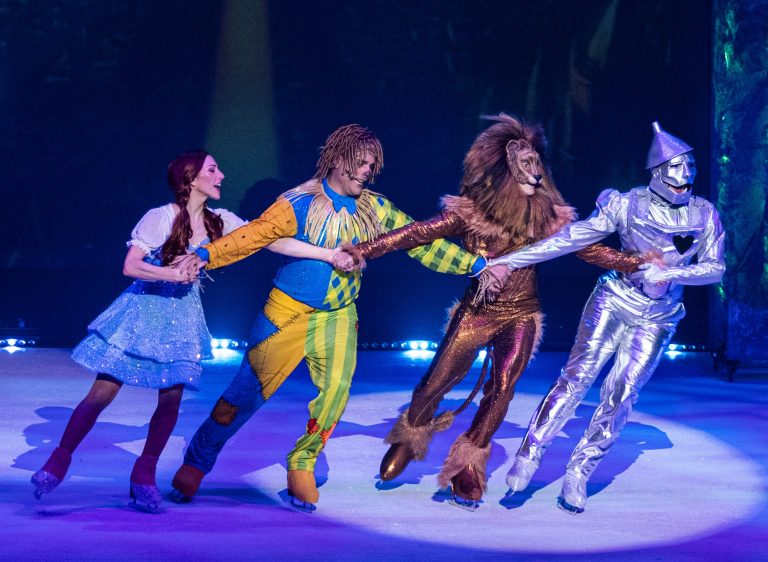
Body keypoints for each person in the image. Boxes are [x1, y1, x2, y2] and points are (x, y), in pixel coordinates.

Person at [169, 124, 492, 512]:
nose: (367, 171)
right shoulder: (298, 201)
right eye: (361, 163)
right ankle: (198, 460)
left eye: (372, 165)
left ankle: (302, 463)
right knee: (241, 397)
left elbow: (418, 240)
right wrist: (206, 255)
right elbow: (254, 235)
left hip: (339, 315)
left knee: (336, 392)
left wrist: (473, 264)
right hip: (285, 314)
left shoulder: (375, 207)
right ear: (338, 160)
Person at [341, 114, 642, 509]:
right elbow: (416, 233)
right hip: (478, 311)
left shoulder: (548, 220)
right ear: (502, 171)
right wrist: (364, 249)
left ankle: (469, 464)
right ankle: (411, 432)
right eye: (524, 166)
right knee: (438, 379)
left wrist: (634, 263)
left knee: (502, 389)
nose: (534, 175)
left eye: (537, 166)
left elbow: (586, 248)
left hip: (522, 313)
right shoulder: (470, 214)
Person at [30, 150, 333, 512]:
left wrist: (326, 254)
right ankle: (59, 460)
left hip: (182, 317)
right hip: (142, 312)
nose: (221, 175)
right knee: (103, 391)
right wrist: (173, 274)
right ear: (191, 179)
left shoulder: (222, 220)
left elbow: (268, 239)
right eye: (212, 169)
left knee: (170, 399)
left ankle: (144, 475)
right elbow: (131, 266)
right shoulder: (161, 217)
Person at [491, 122, 725, 514]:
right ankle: (529, 454)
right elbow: (571, 239)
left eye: (689, 166)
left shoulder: (704, 215)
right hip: (615, 300)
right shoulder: (627, 204)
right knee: (577, 376)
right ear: (656, 171)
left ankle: (580, 470)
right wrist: (508, 261)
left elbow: (716, 268)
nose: (684, 175)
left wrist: (670, 273)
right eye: (675, 167)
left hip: (659, 314)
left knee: (623, 392)